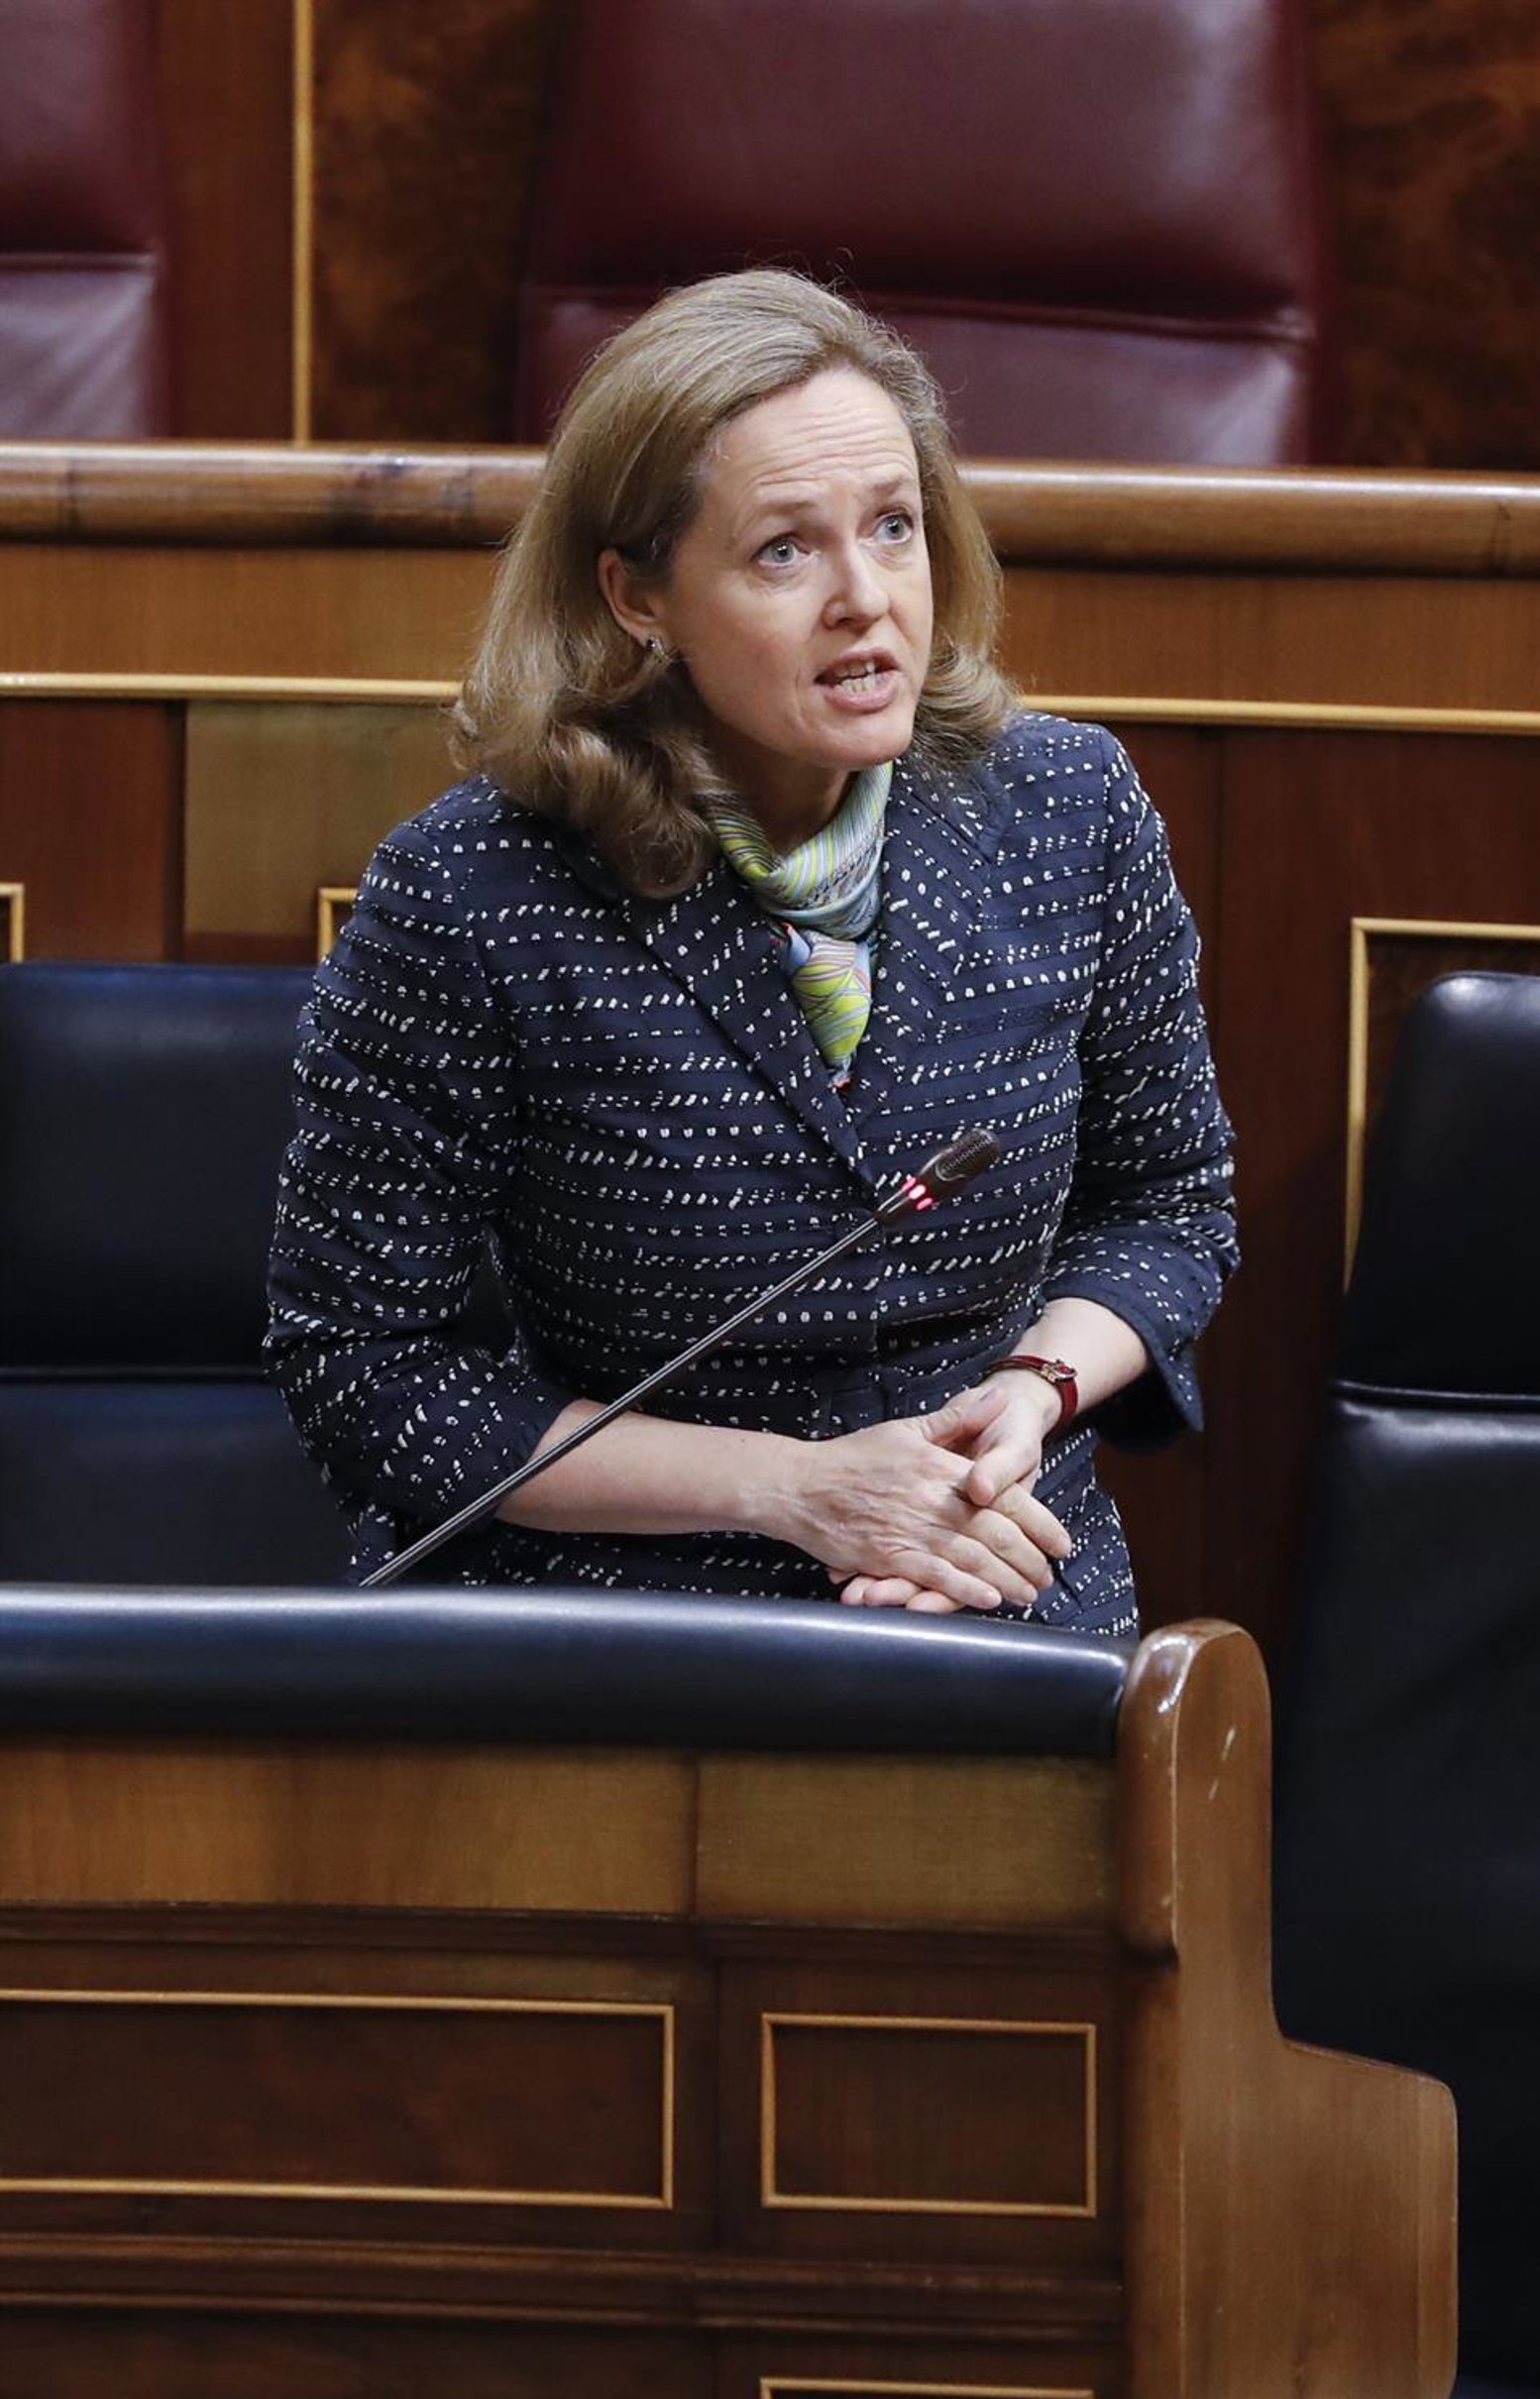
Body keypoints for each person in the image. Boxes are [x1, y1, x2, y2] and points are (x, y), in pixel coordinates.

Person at [266, 270, 1236, 1635]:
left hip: (993, 1568)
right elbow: (366, 1366)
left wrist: (1028, 1396)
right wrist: (795, 1489)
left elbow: (1168, 1203)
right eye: (785, 551)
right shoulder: (476, 892)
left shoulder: (1067, 811)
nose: (865, 598)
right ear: (637, 596)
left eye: (893, 527)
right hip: (623, 1618)